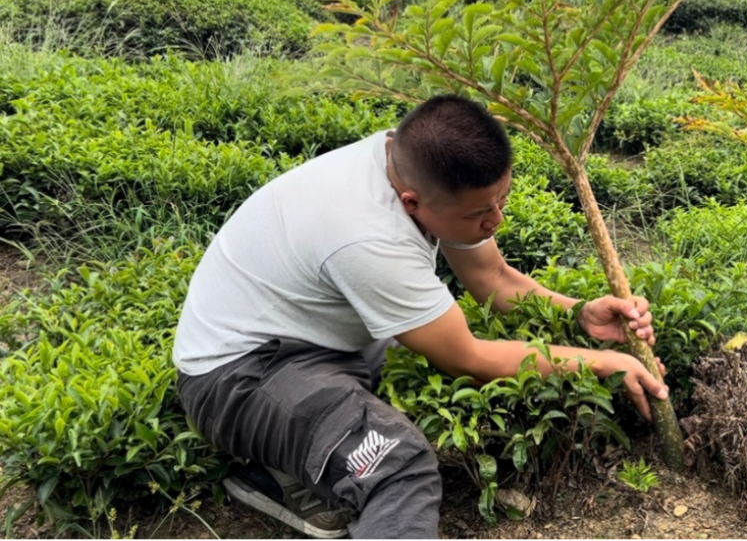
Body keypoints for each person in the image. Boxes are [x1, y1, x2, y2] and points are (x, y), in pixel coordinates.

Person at [172, 95, 669, 539]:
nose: (495, 220)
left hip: (326, 344)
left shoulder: (414, 166)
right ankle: (277, 469)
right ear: (412, 202)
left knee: (423, 389)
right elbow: (468, 356)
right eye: (481, 212)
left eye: (502, 199)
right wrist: (604, 363)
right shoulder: (367, 236)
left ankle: (300, 462)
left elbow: (491, 276)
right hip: (240, 376)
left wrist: (580, 315)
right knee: (400, 466)